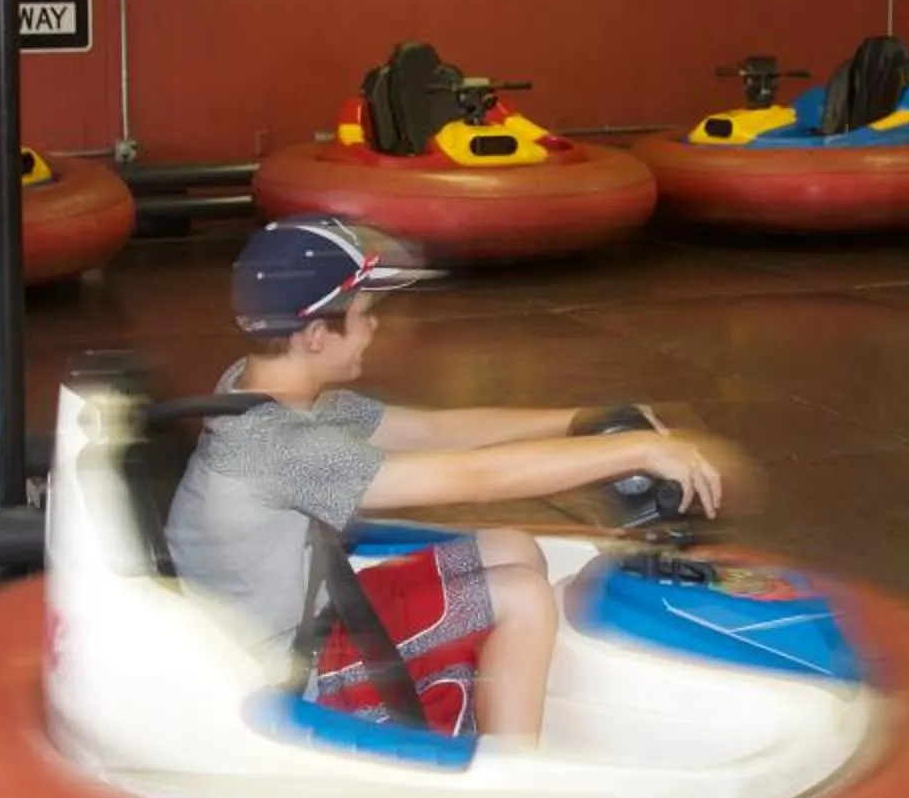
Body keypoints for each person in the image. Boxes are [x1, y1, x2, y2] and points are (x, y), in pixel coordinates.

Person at [164, 216, 729, 744]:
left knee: (514, 546)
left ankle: (498, 708)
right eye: (364, 314)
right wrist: (638, 449)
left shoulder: (269, 391)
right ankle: (510, 791)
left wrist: (583, 421)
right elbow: (474, 476)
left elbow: (436, 431)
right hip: (285, 673)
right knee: (524, 598)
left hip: (314, 612)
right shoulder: (278, 445)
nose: (373, 327)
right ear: (314, 336)